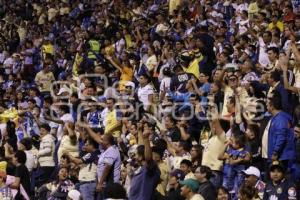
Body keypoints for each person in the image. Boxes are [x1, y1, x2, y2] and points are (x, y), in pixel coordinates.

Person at [128, 126, 160, 200]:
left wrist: (146, 139)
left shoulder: (149, 169)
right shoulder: (141, 169)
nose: (133, 158)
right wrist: (139, 131)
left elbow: (148, 158)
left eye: (135, 155)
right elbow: (141, 148)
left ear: (140, 157)